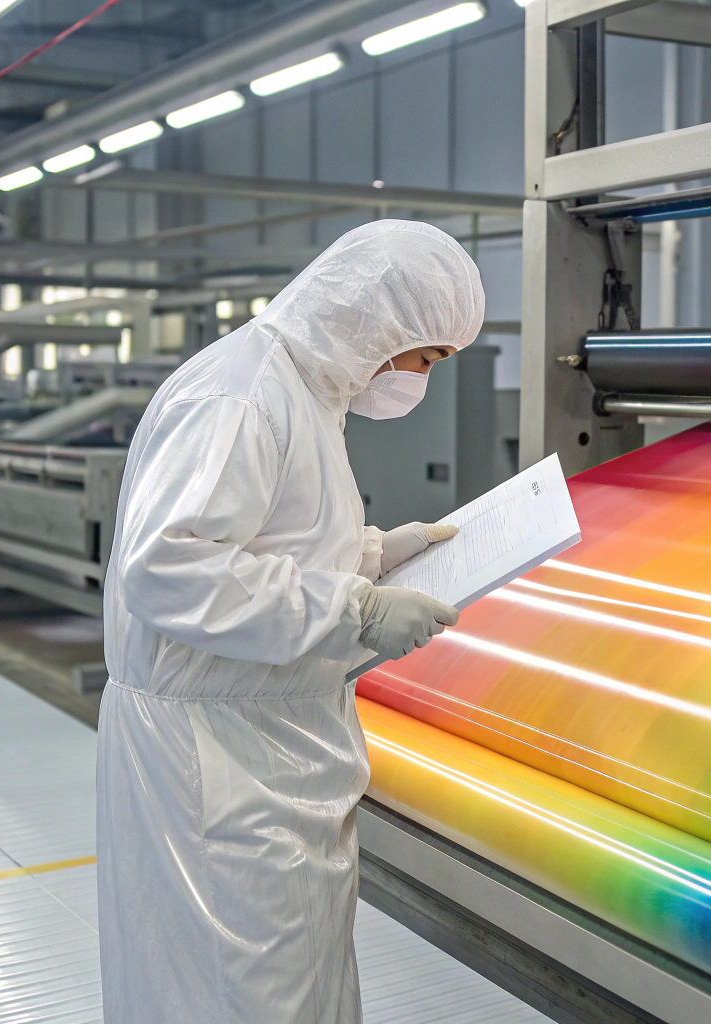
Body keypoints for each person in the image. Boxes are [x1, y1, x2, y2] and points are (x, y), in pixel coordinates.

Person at [96, 220, 485, 1023]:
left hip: (266, 744)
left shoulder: (301, 391)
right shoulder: (240, 396)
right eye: (427, 355)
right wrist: (357, 608)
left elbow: (274, 535)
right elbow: (169, 567)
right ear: (380, 319)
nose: (421, 377)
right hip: (219, 759)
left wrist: (374, 554)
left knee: (292, 981)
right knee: (239, 993)